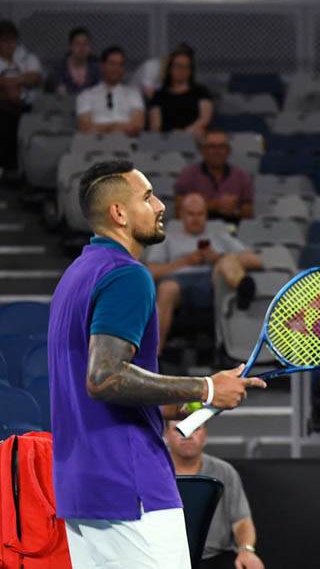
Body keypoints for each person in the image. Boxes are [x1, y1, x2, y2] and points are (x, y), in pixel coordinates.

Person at [48, 159, 263, 568]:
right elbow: (106, 378)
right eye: (147, 196)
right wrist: (206, 387)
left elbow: (103, 386)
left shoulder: (75, 277)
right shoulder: (127, 275)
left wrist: (197, 401)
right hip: (130, 488)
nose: (161, 205)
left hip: (81, 490)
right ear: (119, 213)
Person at [144, 192, 261, 352]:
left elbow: (255, 260)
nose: (196, 219)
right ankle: (154, 356)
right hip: (179, 281)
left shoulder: (219, 236)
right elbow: (150, 271)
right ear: (182, 215)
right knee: (167, 288)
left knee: (225, 262)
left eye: (200, 214)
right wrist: (186, 261)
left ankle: (243, 286)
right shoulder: (167, 238)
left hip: (214, 280)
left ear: (206, 214)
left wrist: (216, 257)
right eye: (191, 214)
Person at [164, 421, 264, 569]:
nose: (187, 435)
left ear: (205, 435)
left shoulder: (225, 472)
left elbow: (242, 522)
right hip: (165, 558)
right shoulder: (153, 472)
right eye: (179, 429)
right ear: (166, 435)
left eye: (195, 428)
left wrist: (246, 550)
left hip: (216, 558)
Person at [174, 129, 255, 223]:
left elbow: (249, 214)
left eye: (221, 147)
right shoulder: (187, 175)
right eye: (211, 147)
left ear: (228, 151)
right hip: (196, 229)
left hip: (232, 229)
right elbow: (178, 210)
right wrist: (215, 205)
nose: (217, 151)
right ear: (203, 150)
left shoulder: (242, 177)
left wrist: (235, 209)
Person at [0, 19, 43, 177]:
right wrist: (14, 83)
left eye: (12, 40)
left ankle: (26, 173)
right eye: (4, 41)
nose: (9, 45)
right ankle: (7, 172)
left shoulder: (27, 56)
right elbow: (10, 91)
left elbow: (35, 78)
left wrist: (11, 82)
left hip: (29, 109)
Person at [76, 47, 145, 136]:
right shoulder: (86, 96)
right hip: (95, 144)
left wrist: (102, 128)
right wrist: (113, 127)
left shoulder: (134, 94)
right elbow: (85, 128)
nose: (116, 68)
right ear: (102, 66)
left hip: (126, 144)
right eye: (112, 64)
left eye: (120, 64)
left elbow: (137, 125)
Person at [147, 46, 213, 137]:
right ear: (169, 68)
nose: (182, 70)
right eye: (178, 66)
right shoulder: (158, 95)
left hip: (193, 137)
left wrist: (185, 134)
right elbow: (155, 124)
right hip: (166, 141)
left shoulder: (201, 92)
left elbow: (204, 119)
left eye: (187, 66)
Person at [50, 26, 99, 96]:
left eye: (85, 44)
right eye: (77, 44)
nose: (82, 48)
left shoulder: (97, 68)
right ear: (70, 46)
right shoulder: (60, 68)